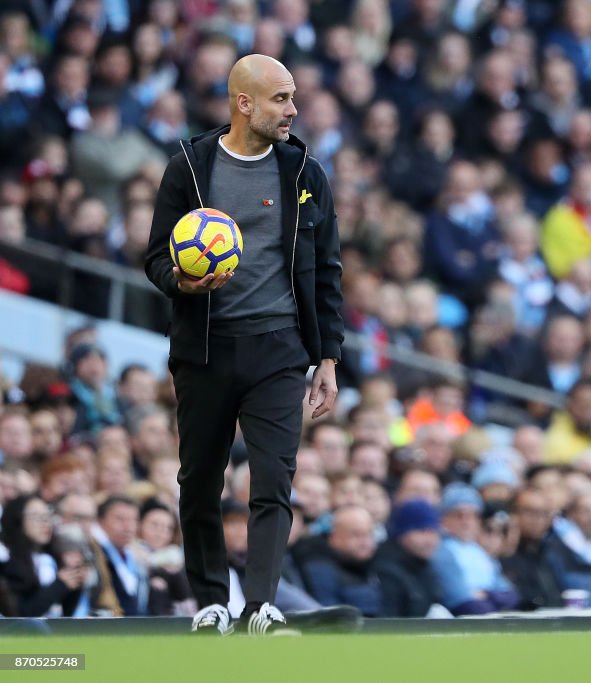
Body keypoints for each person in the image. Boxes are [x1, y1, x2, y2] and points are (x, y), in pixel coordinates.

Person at [144, 54, 344, 636]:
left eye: (294, 98)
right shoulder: (188, 165)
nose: (293, 110)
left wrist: (328, 356)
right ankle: (211, 601)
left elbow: (327, 269)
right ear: (244, 103)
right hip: (205, 347)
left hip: (280, 348)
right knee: (200, 478)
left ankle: (260, 605)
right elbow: (156, 256)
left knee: (274, 479)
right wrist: (181, 281)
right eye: (281, 99)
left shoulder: (306, 173)